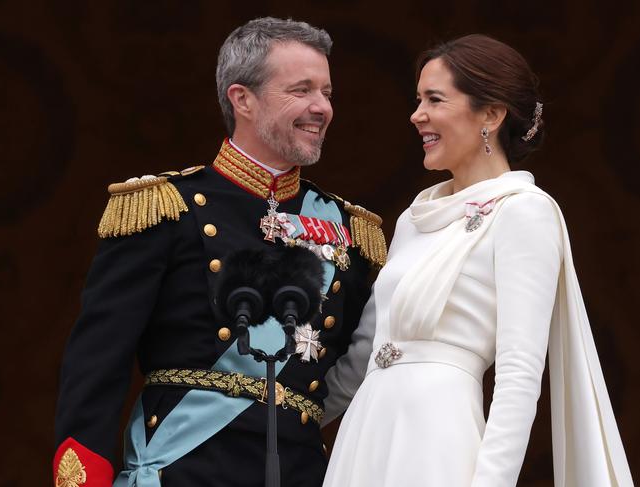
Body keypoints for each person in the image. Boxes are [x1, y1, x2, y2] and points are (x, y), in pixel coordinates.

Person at [53, 17, 386, 487]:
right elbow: (97, 364)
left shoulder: (350, 230)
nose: (322, 108)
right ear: (242, 98)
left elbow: (363, 370)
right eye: (302, 90)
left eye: (327, 93)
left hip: (299, 473)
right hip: (181, 469)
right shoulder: (167, 209)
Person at [322, 34, 634, 487]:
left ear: (490, 114)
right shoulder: (414, 217)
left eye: (434, 99)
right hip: (365, 434)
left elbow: (519, 374)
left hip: (437, 437)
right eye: (417, 99)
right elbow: (363, 355)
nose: (416, 115)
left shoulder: (523, 211)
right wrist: (283, 421)